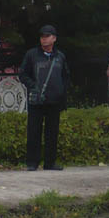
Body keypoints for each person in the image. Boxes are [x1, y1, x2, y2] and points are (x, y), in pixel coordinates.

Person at [19, 24, 71, 171]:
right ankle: (32, 163)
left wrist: (62, 92)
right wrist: (33, 86)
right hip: (36, 101)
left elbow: (66, 76)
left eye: (47, 36)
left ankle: (50, 163)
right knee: (34, 131)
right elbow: (23, 74)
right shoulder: (32, 55)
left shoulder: (60, 56)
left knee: (52, 132)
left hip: (54, 101)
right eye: (42, 36)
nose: (44, 39)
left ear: (54, 38)